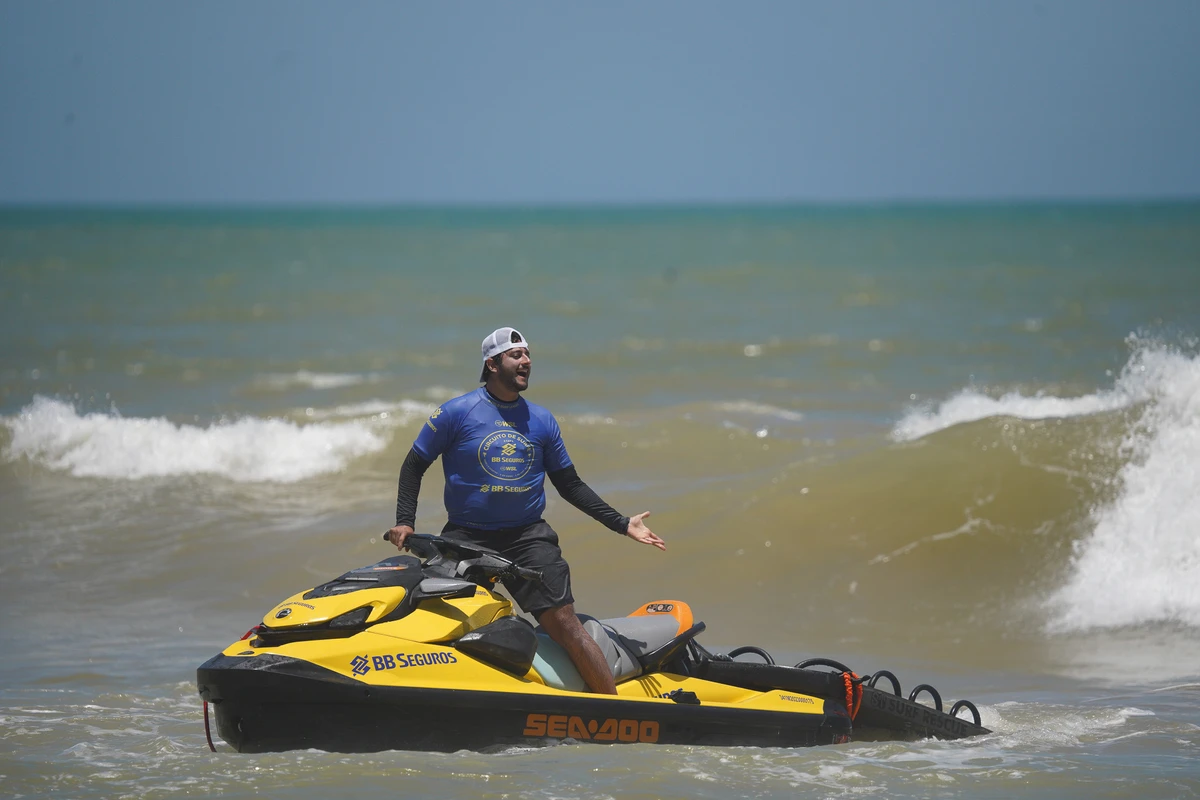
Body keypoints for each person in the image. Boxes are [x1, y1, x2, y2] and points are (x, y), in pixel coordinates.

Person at [386, 326, 665, 694]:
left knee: (564, 623)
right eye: (516, 355)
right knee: (434, 615)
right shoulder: (456, 412)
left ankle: (613, 707)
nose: (527, 361)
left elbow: (570, 485)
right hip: (466, 536)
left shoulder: (542, 420)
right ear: (492, 363)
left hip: (527, 537)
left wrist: (621, 523)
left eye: (528, 354)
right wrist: (405, 521)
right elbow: (414, 464)